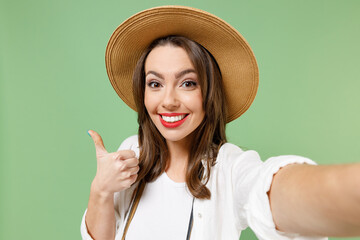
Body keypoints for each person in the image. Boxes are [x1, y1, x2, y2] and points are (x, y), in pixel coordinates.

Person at [81, 6, 360, 240]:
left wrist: (346, 192)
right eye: (155, 83)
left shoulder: (229, 168)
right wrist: (101, 189)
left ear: (209, 92)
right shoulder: (133, 153)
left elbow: (268, 189)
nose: (168, 101)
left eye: (187, 83)